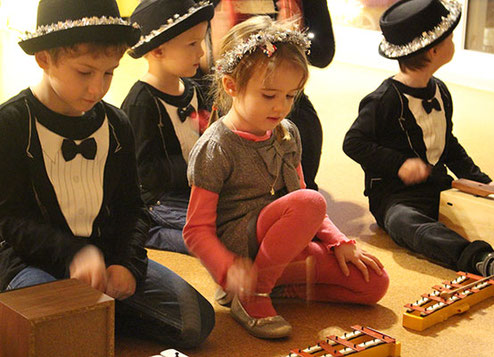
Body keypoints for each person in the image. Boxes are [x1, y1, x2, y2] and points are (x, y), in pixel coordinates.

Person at [0, 0, 214, 348]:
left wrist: (126, 263)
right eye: (84, 72)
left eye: (109, 72)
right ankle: (86, 316)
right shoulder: (10, 123)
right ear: (44, 59)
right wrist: (72, 254)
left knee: (195, 322)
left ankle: (99, 312)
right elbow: (10, 219)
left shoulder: (116, 124)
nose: (97, 88)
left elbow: (133, 206)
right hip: (31, 259)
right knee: (70, 334)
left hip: (103, 255)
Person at [184, 16, 389, 340]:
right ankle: (252, 294)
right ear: (231, 85)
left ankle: (274, 283)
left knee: (373, 282)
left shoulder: (288, 133)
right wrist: (227, 269)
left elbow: (301, 196)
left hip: (284, 243)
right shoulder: (215, 146)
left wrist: (339, 241)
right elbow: (196, 230)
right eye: (269, 95)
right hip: (242, 250)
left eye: (291, 96)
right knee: (310, 202)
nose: (281, 107)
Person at [342, 0, 494, 293]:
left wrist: (483, 184)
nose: (453, 41)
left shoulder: (440, 91)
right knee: (407, 224)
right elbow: (354, 143)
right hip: (395, 197)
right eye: (449, 38)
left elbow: (448, 144)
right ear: (434, 51)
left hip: (438, 185)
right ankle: (482, 261)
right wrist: (399, 164)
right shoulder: (384, 100)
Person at [195, 0, 336, 190]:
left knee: (302, 128)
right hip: (213, 92)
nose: (279, 107)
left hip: (283, 89)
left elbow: (323, 54)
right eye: (269, 96)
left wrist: (291, 40)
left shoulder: (290, 126)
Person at [121, 0, 214, 254]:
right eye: (192, 44)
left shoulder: (194, 91)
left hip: (196, 193)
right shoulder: (142, 102)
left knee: (237, 222)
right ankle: (153, 233)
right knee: (210, 237)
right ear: (158, 51)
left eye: (201, 41)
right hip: (162, 200)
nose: (202, 53)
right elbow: (143, 172)